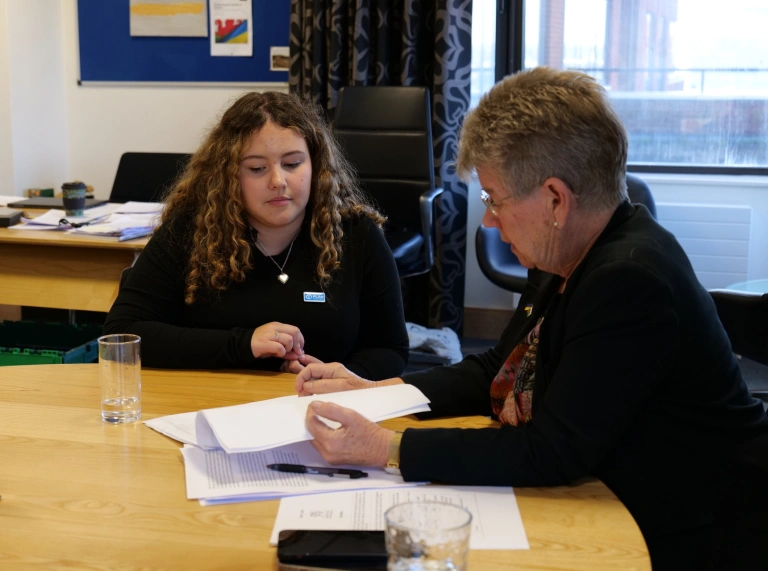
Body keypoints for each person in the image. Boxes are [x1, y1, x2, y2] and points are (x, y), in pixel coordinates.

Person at [293, 68, 768, 570]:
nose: (491, 221)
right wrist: (381, 393)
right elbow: (497, 368)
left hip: (695, 526)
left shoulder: (628, 280)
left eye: (495, 200)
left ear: (556, 200)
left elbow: (550, 452)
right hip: (615, 487)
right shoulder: (567, 249)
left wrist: (386, 446)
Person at [104, 91, 409, 379]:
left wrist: (344, 377)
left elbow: (389, 349)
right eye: (257, 168)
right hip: (209, 408)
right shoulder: (190, 231)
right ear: (229, 176)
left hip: (324, 410)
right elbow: (123, 333)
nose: (278, 181)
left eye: (292, 164)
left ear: (316, 166)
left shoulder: (358, 235)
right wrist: (244, 345)